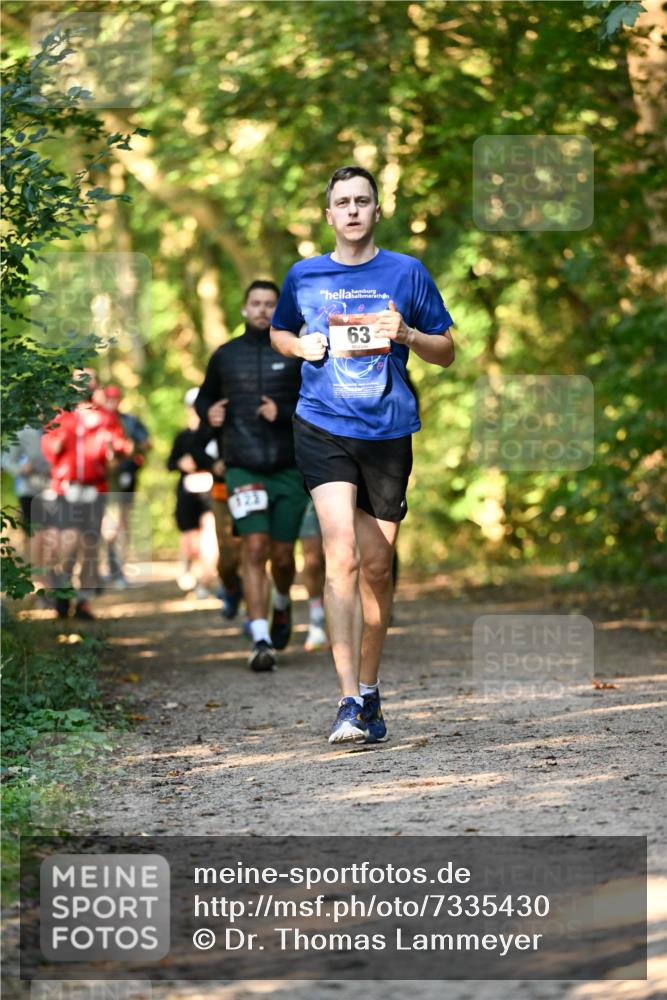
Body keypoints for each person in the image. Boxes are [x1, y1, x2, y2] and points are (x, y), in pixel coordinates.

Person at [270, 165, 455, 744]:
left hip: (387, 431)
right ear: (328, 215)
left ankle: (370, 692)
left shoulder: (407, 272)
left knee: (377, 566)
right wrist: (299, 345)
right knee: (341, 554)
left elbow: (446, 351)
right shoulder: (304, 275)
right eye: (343, 202)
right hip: (321, 425)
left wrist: (408, 336)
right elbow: (279, 331)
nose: (352, 210)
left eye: (362, 201)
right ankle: (347, 699)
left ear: (377, 210)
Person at [196, 280, 308, 672]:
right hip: (242, 467)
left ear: (279, 310)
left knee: (283, 556)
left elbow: (316, 403)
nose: (262, 310)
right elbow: (205, 398)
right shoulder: (226, 356)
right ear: (244, 309)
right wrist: (209, 414)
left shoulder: (296, 353)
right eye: (256, 303)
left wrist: (284, 412)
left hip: (288, 468)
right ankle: (260, 638)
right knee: (255, 547)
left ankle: (282, 601)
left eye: (269, 304)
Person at [40, 368, 131, 619]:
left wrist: (115, 451)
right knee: (69, 540)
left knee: (90, 543)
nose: (83, 385)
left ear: (95, 386)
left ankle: (83, 600)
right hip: (66, 488)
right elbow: (48, 446)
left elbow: (120, 448)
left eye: (88, 380)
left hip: (95, 487)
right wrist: (55, 445)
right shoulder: (61, 416)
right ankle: (63, 586)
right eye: (79, 380)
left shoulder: (106, 417)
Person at [167, 388, 219, 598]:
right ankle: (188, 564)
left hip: (210, 493)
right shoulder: (182, 437)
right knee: (191, 541)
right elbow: (170, 463)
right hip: (187, 494)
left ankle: (205, 582)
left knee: (210, 536)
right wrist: (181, 463)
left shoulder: (213, 434)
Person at [102, 384, 152, 589]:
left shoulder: (130, 421)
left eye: (115, 399)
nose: (112, 403)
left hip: (126, 477)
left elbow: (147, 443)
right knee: (108, 525)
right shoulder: (97, 421)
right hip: (103, 480)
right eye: (109, 399)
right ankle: (109, 567)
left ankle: (118, 568)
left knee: (123, 523)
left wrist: (133, 448)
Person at [298, 499, 329, 651]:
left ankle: (340, 626)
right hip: (309, 496)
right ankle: (317, 621)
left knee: (340, 560)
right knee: (313, 561)